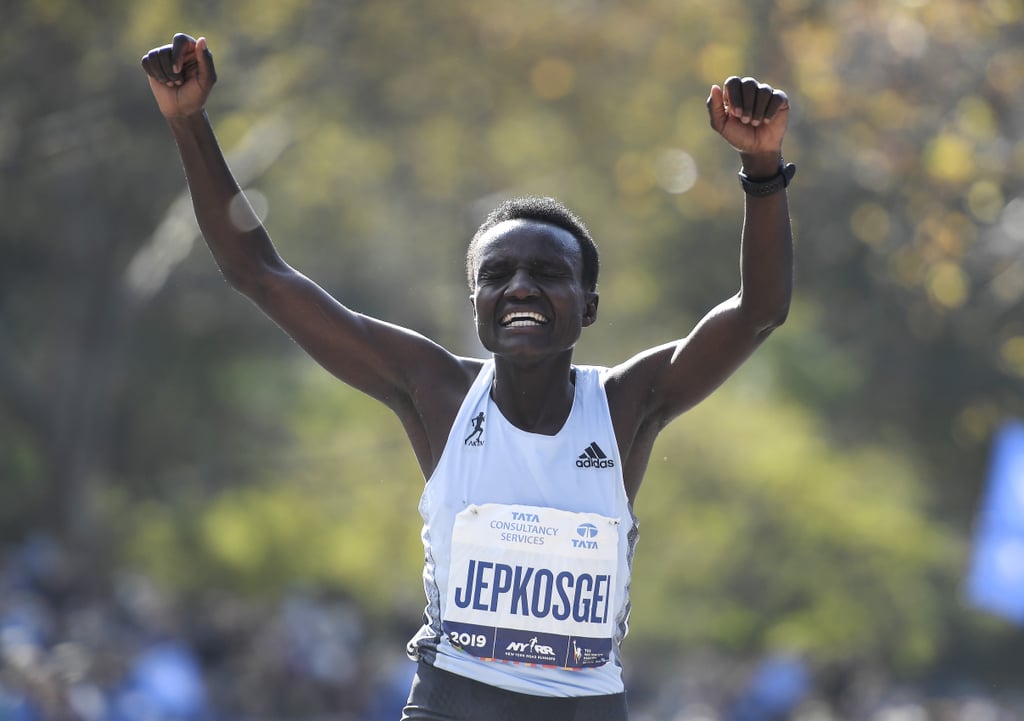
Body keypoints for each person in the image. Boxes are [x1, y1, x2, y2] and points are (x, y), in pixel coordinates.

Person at [141, 32, 794, 721]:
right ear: (475, 305)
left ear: (590, 305)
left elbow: (759, 311)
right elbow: (261, 276)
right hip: (455, 702)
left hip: (584, 706)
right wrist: (188, 121)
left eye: (547, 274)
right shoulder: (438, 392)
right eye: (497, 276)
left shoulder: (627, 403)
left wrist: (762, 167)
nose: (519, 288)